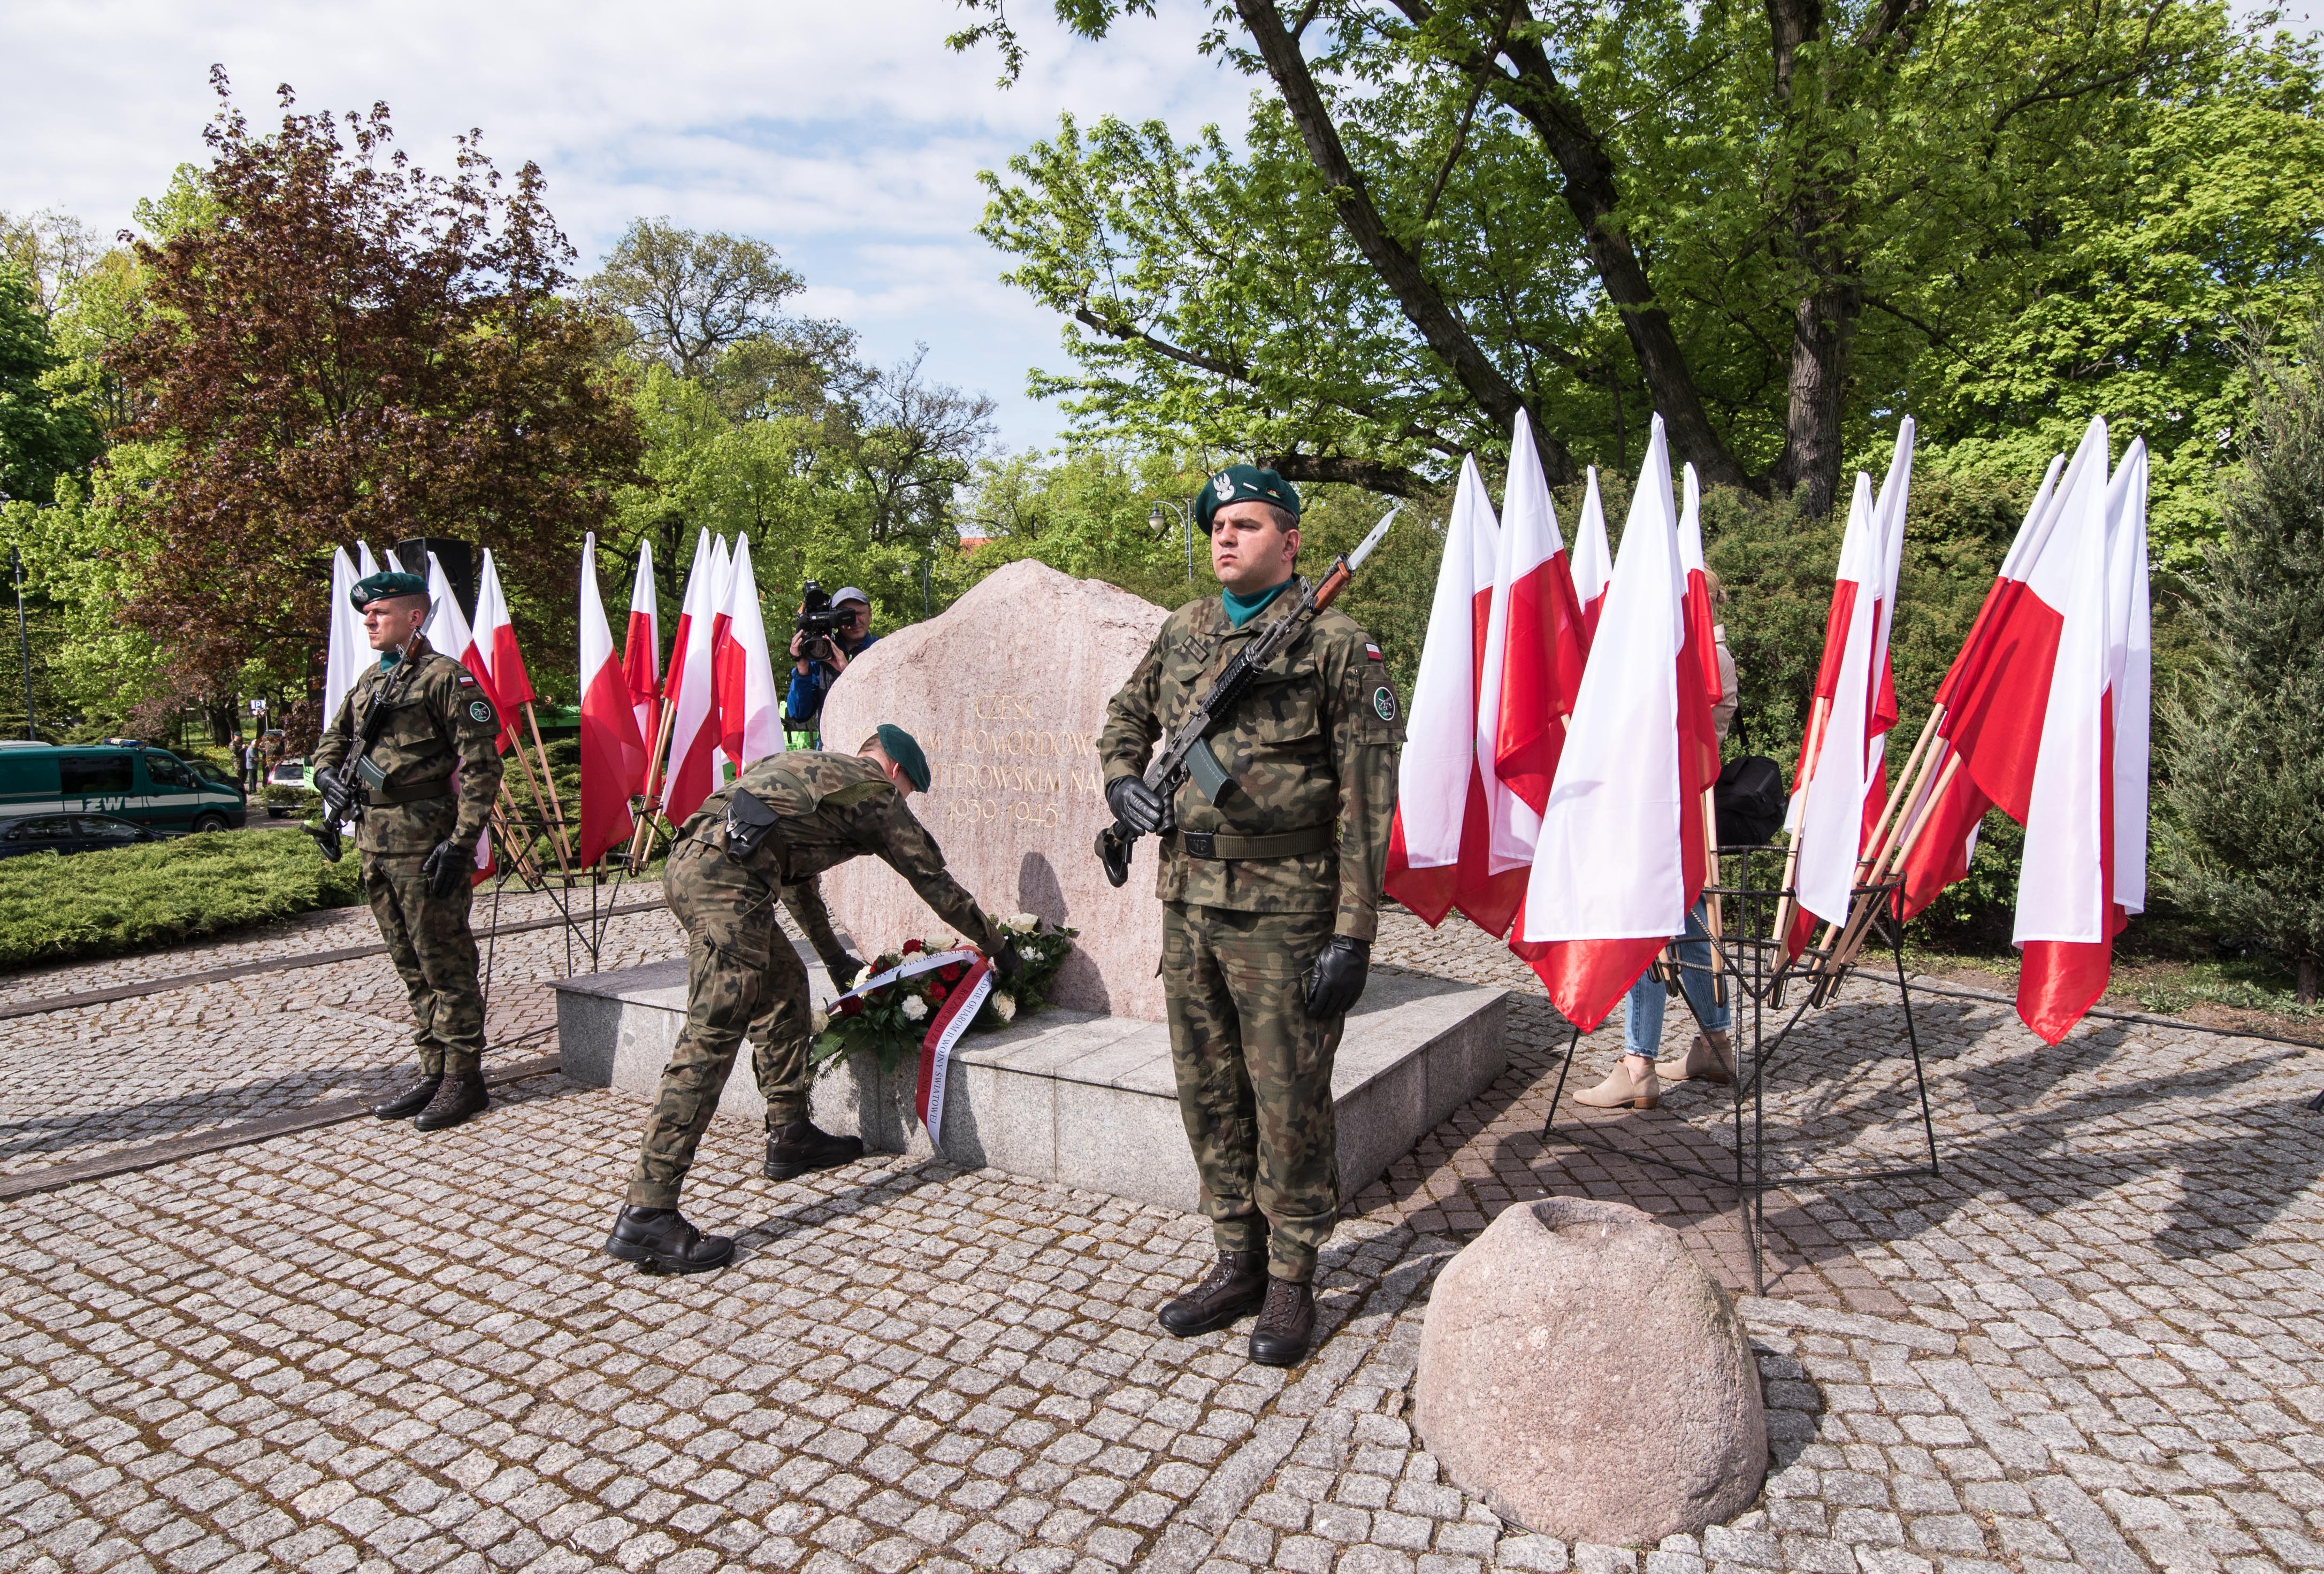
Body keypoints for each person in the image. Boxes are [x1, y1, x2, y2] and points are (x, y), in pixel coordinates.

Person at [1098, 464, 1404, 1368]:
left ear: (1290, 541)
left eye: (1245, 524)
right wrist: (1122, 779)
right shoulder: (1183, 630)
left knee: (1289, 1099)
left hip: (1286, 912)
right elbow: (1125, 715)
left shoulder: (1338, 645)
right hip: (1186, 903)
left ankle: (1292, 1273)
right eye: (1217, 525)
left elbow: (1367, 801)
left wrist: (1352, 933)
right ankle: (1235, 1257)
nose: (1224, 538)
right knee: (1210, 1090)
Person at [604, 725, 1019, 1274]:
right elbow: (932, 879)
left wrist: (834, 960)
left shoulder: (807, 768)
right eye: (908, 791)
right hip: (729, 884)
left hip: (695, 865)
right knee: (712, 1035)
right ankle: (648, 1212)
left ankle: (790, 1132)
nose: (903, 801)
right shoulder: (874, 794)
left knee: (784, 985)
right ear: (894, 770)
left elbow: (798, 882)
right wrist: (995, 947)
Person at [312, 570, 507, 1132]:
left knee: (446, 964)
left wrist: (460, 843)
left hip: (426, 844)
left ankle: (464, 1079)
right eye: (366, 615)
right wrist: (327, 775)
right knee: (410, 966)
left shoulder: (446, 679)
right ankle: (433, 1068)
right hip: (375, 842)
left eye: (380, 613)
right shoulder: (373, 683)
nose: (369, 622)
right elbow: (333, 741)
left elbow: (481, 767)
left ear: (414, 617)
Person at [1575, 571, 1742, 1109]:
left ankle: (1637, 1062)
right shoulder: (1705, 654)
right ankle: (1715, 1044)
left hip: (1668, 810)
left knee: (1650, 928)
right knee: (1692, 927)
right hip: (1684, 811)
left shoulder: (1699, 657)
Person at [782, 586, 877, 749]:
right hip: (832, 750)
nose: (854, 622)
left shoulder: (881, 650)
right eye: (846, 616)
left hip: (871, 749)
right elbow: (799, 714)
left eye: (859, 614)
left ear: (870, 615)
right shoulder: (821, 655)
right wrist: (802, 669)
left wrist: (848, 672)